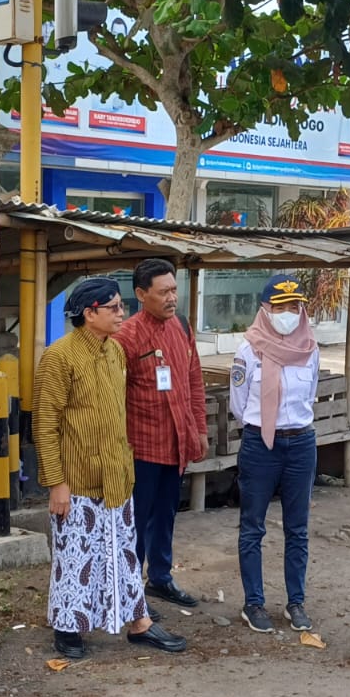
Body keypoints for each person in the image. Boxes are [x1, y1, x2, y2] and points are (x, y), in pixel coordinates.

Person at [35, 278, 186, 659]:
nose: (122, 313)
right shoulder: (60, 356)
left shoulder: (113, 353)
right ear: (89, 314)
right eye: (114, 307)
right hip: (77, 478)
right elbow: (45, 424)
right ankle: (68, 629)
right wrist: (56, 482)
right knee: (76, 557)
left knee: (122, 553)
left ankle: (138, 623)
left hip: (117, 476)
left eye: (122, 306)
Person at [113, 258, 208, 613]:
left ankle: (161, 577)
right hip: (140, 446)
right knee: (135, 520)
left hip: (176, 442)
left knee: (167, 513)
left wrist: (199, 429)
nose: (172, 298)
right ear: (140, 294)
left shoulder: (181, 327)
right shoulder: (125, 337)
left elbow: (193, 381)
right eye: (163, 292)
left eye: (174, 289)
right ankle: (129, 590)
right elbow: (113, 396)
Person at [230, 275, 323, 632]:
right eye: (280, 307)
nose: (288, 313)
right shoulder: (247, 351)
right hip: (260, 444)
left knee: (297, 528)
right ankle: (254, 603)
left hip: (301, 444)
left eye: (294, 306)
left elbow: (310, 393)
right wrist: (265, 426)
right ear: (265, 310)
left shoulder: (310, 348)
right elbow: (240, 406)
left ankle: (295, 602)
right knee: (252, 526)